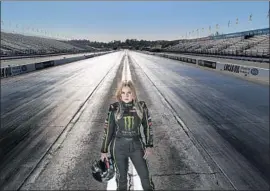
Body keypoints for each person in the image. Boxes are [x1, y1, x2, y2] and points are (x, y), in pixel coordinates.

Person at [100, 80, 155, 191]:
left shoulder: (141, 107)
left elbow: (147, 127)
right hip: (118, 147)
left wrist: (149, 145)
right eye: (123, 93)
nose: (126, 95)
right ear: (120, 95)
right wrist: (104, 150)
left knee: (145, 178)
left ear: (133, 94)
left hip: (136, 146)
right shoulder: (114, 108)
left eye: (129, 92)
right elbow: (108, 131)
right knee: (122, 180)